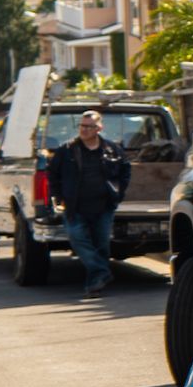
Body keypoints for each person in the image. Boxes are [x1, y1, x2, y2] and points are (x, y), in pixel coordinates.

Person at [48, 108, 129, 294]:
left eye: (89, 127)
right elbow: (53, 174)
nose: (84, 130)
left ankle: (95, 281)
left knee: (102, 243)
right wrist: (58, 195)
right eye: (82, 126)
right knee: (77, 238)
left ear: (99, 128)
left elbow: (126, 169)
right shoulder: (66, 150)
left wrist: (119, 192)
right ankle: (101, 271)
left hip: (103, 205)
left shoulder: (112, 149)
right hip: (75, 205)